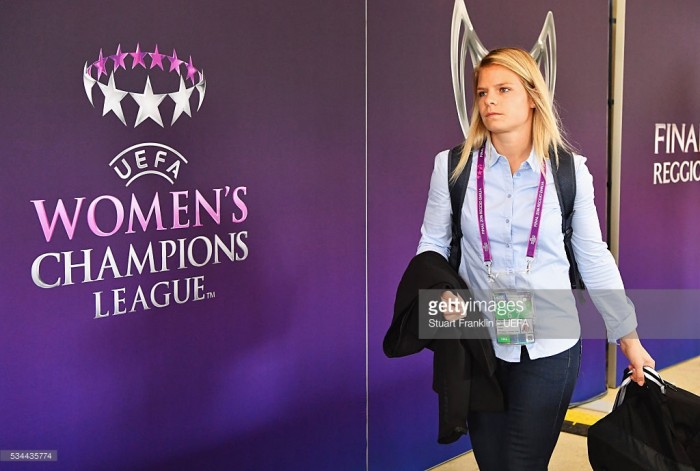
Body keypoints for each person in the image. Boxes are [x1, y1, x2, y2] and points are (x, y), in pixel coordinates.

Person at [416, 47, 655, 470]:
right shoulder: (451, 167)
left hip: (550, 341)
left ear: (531, 96)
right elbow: (432, 245)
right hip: (477, 339)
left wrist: (629, 338)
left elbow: (593, 255)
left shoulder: (568, 171)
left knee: (523, 464)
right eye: (482, 91)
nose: (488, 100)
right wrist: (439, 297)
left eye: (503, 89)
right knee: (491, 463)